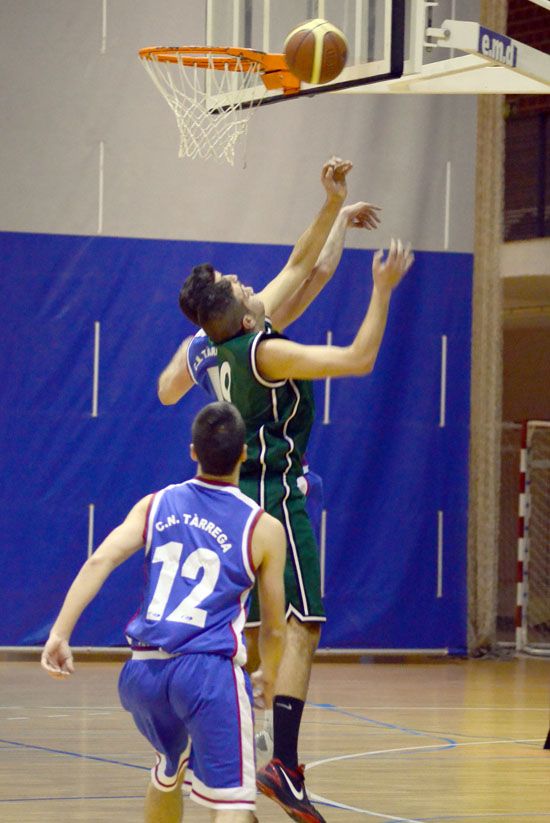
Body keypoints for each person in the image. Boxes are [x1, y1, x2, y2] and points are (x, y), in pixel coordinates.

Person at [185, 236, 414, 823]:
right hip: (276, 498)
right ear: (240, 314)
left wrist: (337, 210)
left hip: (234, 496)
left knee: (250, 639)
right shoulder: (267, 352)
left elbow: (311, 270)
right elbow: (359, 359)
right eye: (242, 287)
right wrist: (382, 291)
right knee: (303, 624)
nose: (250, 284)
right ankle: (279, 760)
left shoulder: (215, 349)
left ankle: (219, 755)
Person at [41, 401, 287, 823]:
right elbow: (276, 630)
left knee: (167, 769)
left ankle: (171, 766)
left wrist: (59, 634)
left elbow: (99, 562)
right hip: (206, 673)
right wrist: (270, 673)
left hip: (143, 675)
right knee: (232, 806)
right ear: (245, 453)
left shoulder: (155, 504)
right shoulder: (262, 527)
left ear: (193, 451)